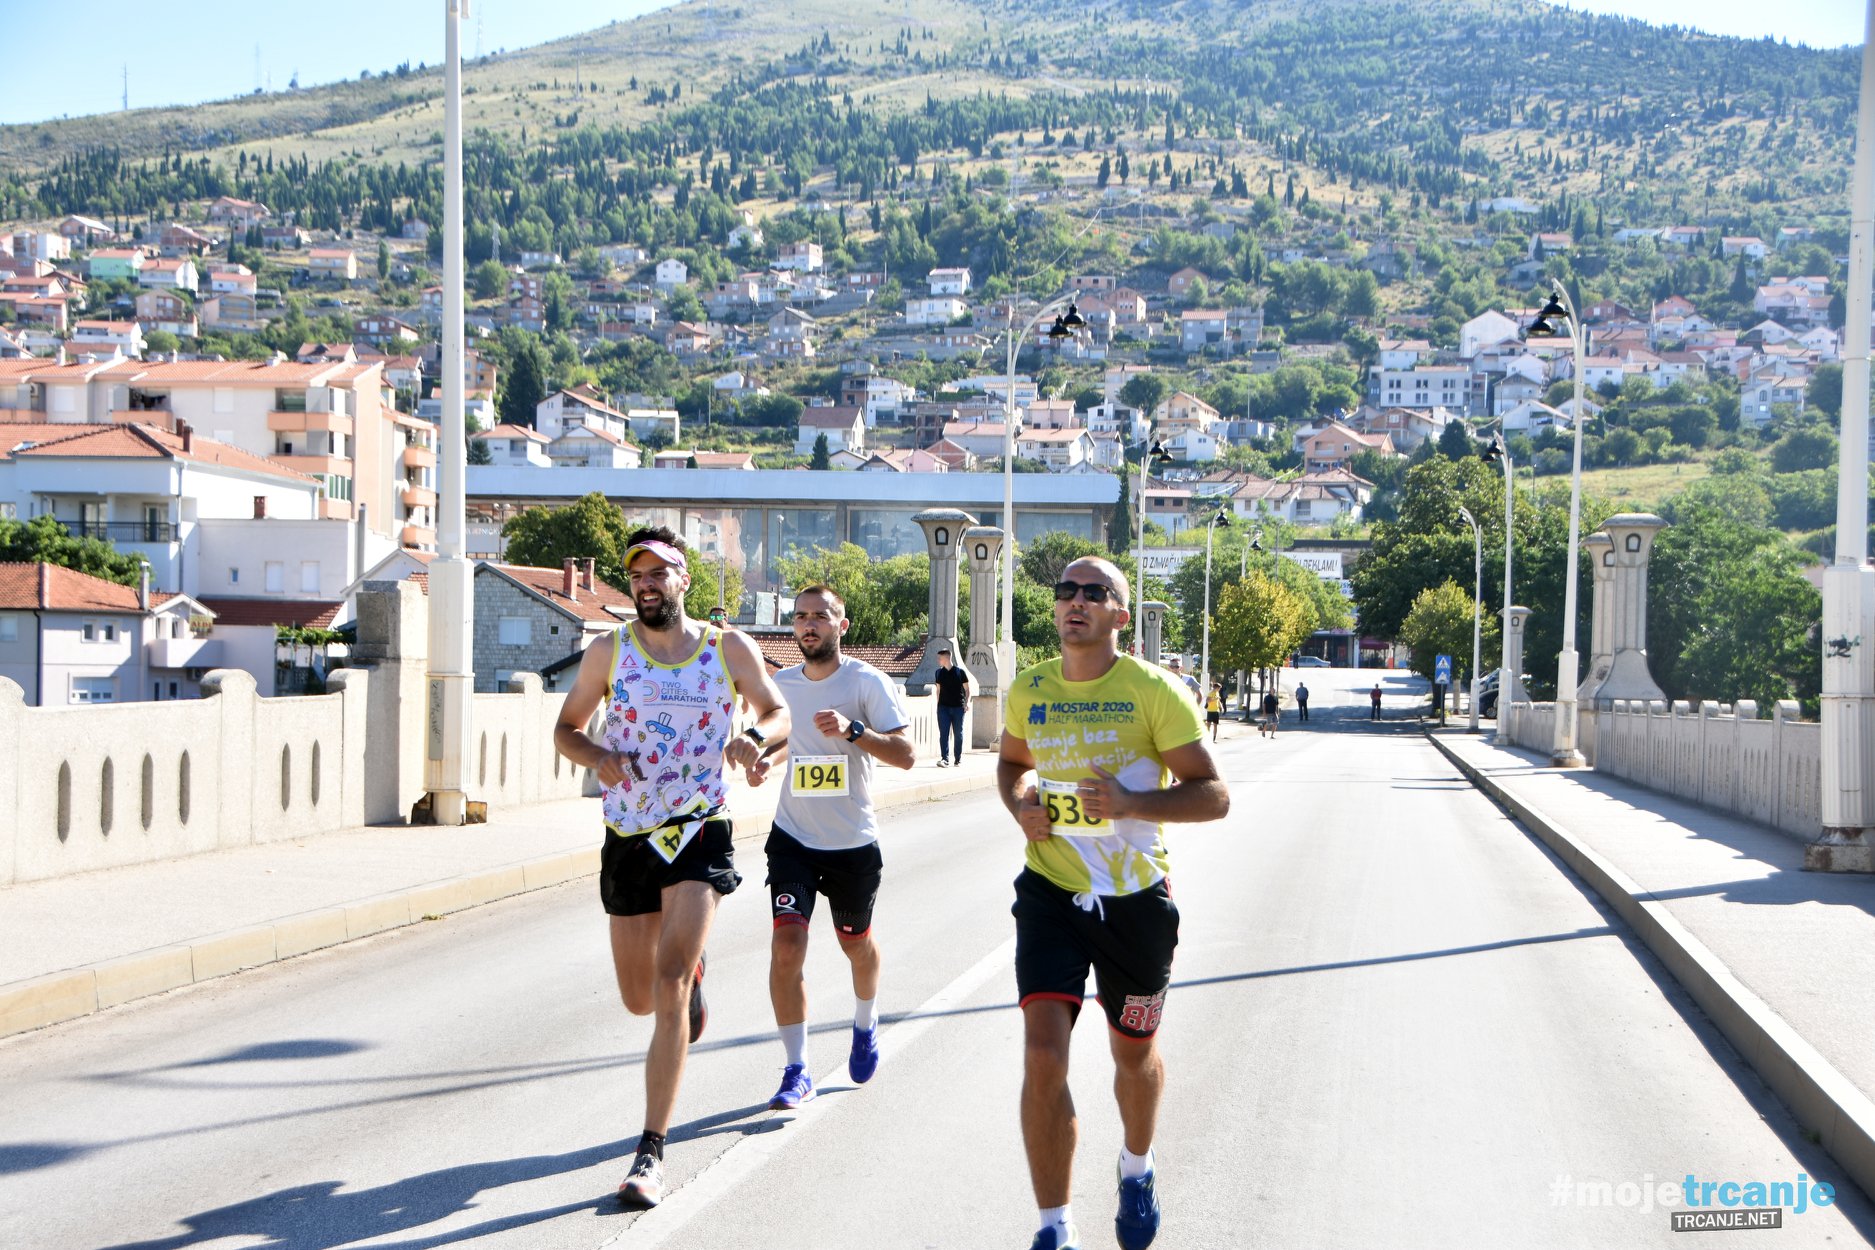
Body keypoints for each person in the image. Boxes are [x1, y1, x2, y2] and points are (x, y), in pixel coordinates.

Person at [553, 527, 790, 1209]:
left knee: (667, 983)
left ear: (685, 580)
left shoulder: (727, 648)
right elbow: (566, 727)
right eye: (639, 574)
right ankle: (691, 983)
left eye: (661, 572)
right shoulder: (610, 650)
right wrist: (593, 755)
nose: (648, 584)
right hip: (628, 831)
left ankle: (649, 1153)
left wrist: (750, 739)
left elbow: (777, 712)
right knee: (637, 997)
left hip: (698, 826)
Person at [998, 556, 1230, 1250]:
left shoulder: (1154, 691)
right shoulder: (1030, 688)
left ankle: (1136, 1165)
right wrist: (1020, 807)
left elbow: (1212, 796)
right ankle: (1053, 1228)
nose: (1075, 602)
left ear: (1119, 616)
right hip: (1051, 890)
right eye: (1065, 591)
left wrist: (1132, 801)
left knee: (1133, 1057)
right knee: (1043, 1054)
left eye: (1093, 593)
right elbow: (1012, 765)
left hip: (1134, 902)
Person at [745, 586, 916, 1110]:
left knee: (855, 944)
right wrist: (762, 764)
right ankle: (796, 1069)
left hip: (851, 844)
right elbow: (785, 749)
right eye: (801, 617)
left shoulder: (867, 682)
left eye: (821, 616)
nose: (809, 625)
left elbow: (907, 755)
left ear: (842, 625)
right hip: (794, 837)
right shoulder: (782, 685)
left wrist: (854, 730)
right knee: (787, 947)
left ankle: (865, 1026)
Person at [933, 647, 976, 767]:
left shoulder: (960, 672)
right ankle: (944, 758)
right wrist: (938, 705)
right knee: (944, 733)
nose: (938, 660)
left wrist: (966, 703)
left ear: (947, 658)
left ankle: (958, 758)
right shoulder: (938, 673)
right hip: (943, 708)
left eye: (940, 658)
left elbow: (967, 690)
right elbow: (938, 690)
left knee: (958, 733)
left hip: (958, 708)